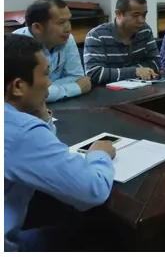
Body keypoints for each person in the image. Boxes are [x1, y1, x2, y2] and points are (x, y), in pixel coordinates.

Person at [4, 34, 115, 252]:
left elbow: (40, 152)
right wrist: (98, 155)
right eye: (46, 74)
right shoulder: (21, 132)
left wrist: (42, 116)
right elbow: (92, 191)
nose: (50, 82)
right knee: (99, 233)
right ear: (18, 86)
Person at [12, 0, 91, 102]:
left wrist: (47, 89)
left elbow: (77, 77)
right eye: (61, 22)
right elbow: (29, 93)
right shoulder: (16, 46)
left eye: (69, 21)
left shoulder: (67, 38)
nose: (68, 28)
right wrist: (75, 88)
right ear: (37, 28)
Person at [84, 0, 160, 85]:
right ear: (118, 14)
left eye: (144, 15)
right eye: (135, 15)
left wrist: (138, 71)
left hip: (140, 88)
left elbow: (156, 62)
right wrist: (134, 71)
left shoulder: (145, 30)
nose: (141, 20)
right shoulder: (97, 36)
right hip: (107, 92)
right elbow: (94, 74)